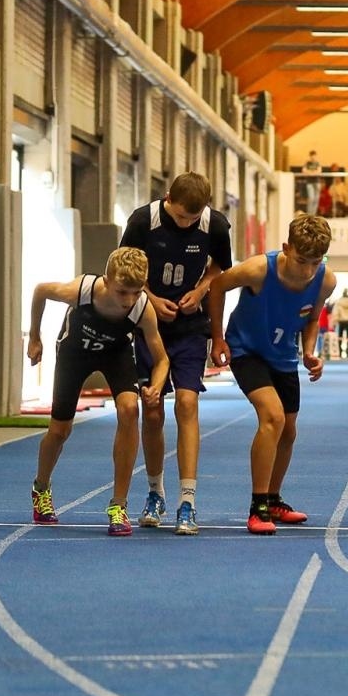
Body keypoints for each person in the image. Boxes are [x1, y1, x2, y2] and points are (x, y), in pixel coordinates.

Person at [119, 171, 234, 535]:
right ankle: (155, 492)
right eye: (181, 216)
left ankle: (188, 500)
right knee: (151, 409)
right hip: (148, 325)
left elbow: (221, 269)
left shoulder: (215, 224)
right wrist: (150, 298)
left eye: (192, 219)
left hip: (189, 327)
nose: (186, 224)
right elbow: (122, 270)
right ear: (168, 198)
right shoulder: (142, 220)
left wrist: (200, 291)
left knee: (187, 403)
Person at [26, 248, 168, 536]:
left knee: (130, 410)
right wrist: (34, 336)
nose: (129, 300)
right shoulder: (82, 291)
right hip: (74, 354)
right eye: (122, 292)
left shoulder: (142, 308)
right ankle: (41, 487)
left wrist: (155, 385)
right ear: (106, 281)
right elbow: (40, 291)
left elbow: (162, 359)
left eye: (136, 292)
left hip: (115, 354)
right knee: (59, 431)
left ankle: (119, 505)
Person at [209, 214, 337, 534]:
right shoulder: (257, 269)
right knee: (273, 417)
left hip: (284, 357)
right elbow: (216, 286)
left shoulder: (325, 280)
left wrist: (309, 351)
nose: (308, 270)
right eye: (302, 260)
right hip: (246, 351)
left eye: (316, 262)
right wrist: (218, 337)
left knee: (289, 430)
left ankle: (274, 499)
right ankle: (258, 506)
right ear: (286, 248)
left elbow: (310, 318)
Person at [331, 288, 348, 358]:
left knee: (340, 336)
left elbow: (336, 312)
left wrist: (334, 320)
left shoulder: (339, 302)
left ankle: (340, 352)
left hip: (341, 321)